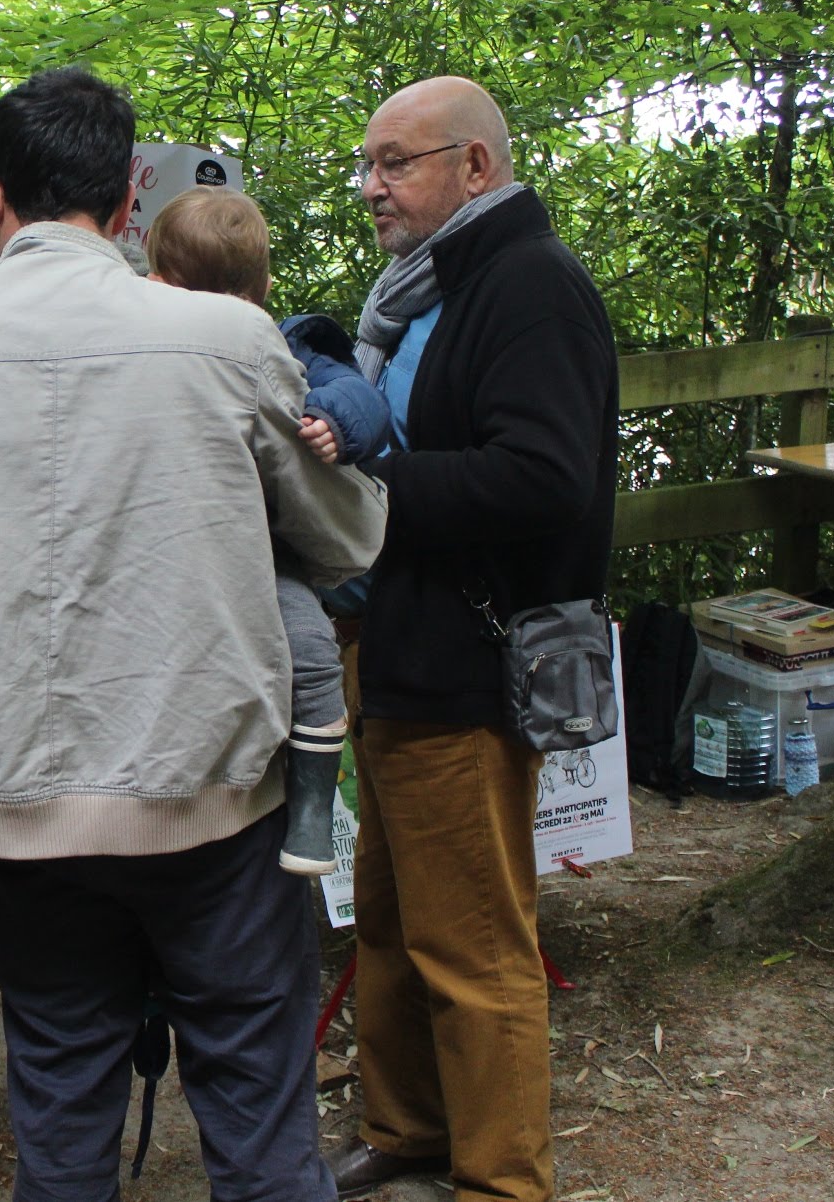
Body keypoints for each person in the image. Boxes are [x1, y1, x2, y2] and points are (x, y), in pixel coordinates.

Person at [0, 66, 388, 1202]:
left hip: (12, 793)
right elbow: (343, 539)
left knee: (59, 1091)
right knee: (256, 1098)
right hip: (210, 789)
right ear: (128, 197)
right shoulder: (226, 339)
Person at [324, 78, 616, 1202]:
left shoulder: (531, 287)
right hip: (402, 651)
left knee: (476, 945)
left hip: (470, 665)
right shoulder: (435, 287)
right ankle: (407, 1131)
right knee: (391, 920)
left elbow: (544, 477)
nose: (372, 188)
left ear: (476, 168)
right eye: (370, 164)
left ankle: (502, 1181)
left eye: (396, 163)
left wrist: (366, 483)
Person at [144, 184, 391, 875]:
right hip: (185, 546)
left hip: (264, 551)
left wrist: (334, 424)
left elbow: (358, 395)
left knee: (311, 655)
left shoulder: (287, 346)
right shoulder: (145, 356)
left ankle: (312, 810)